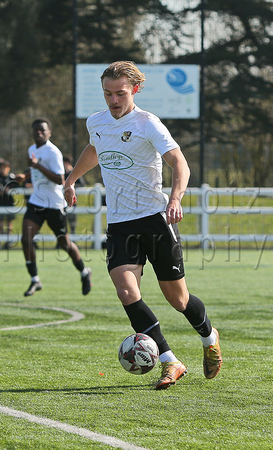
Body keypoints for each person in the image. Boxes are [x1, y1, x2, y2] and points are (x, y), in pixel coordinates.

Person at [64, 61, 222, 390]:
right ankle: (170, 360)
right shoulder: (96, 121)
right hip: (121, 223)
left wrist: (175, 199)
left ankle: (209, 337)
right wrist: (71, 179)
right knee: (126, 291)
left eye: (120, 93)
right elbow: (95, 149)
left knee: (178, 300)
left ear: (134, 89)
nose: (113, 100)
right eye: (107, 93)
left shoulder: (148, 123)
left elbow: (180, 163)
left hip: (155, 220)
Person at [16, 118, 91, 297]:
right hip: (37, 202)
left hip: (55, 204)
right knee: (26, 239)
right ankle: (35, 279)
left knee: (64, 243)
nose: (39, 133)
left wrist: (36, 166)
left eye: (43, 130)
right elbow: (36, 171)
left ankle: (84, 271)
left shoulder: (53, 151)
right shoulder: (32, 149)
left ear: (49, 133)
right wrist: (25, 176)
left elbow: (60, 179)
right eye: (36, 130)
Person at [0, 159, 16, 249]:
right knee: (0, 225)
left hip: (9, 204)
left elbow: (16, 186)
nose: (4, 170)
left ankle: (8, 242)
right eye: (2, 168)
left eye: (5, 168)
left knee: (9, 225)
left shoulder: (11, 177)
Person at [63, 155, 86, 235]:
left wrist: (71, 186)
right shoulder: (62, 173)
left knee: (72, 221)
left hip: (72, 200)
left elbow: (82, 184)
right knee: (63, 221)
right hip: (63, 201)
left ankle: (73, 238)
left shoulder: (74, 173)